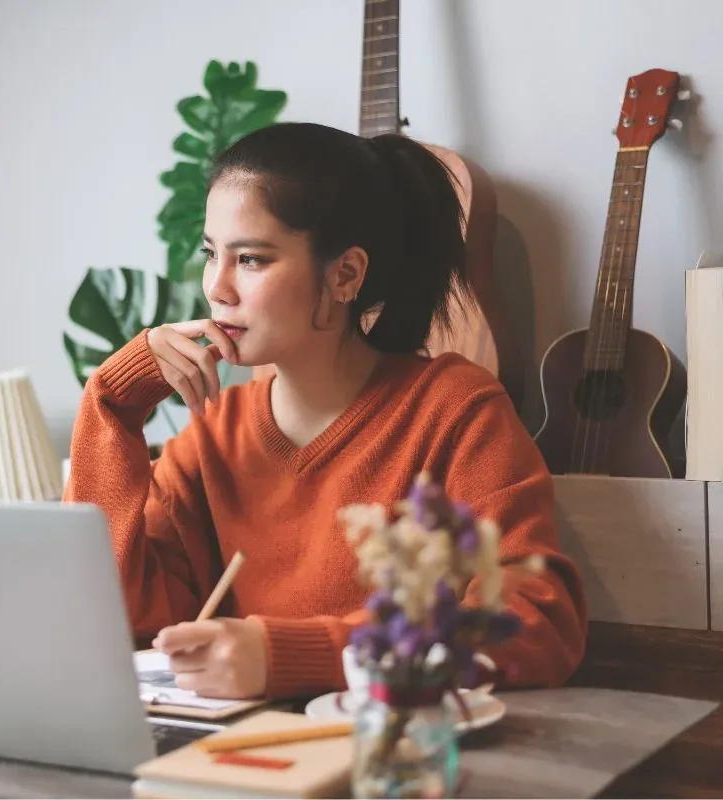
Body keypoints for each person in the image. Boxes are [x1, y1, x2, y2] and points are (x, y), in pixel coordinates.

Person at [63, 122, 587, 701]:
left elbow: (535, 619)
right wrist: (114, 403)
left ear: (345, 275)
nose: (217, 288)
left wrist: (295, 655)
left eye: (251, 259)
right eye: (212, 254)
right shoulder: (214, 434)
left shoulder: (455, 411)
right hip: (241, 747)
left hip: (394, 744)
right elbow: (114, 616)